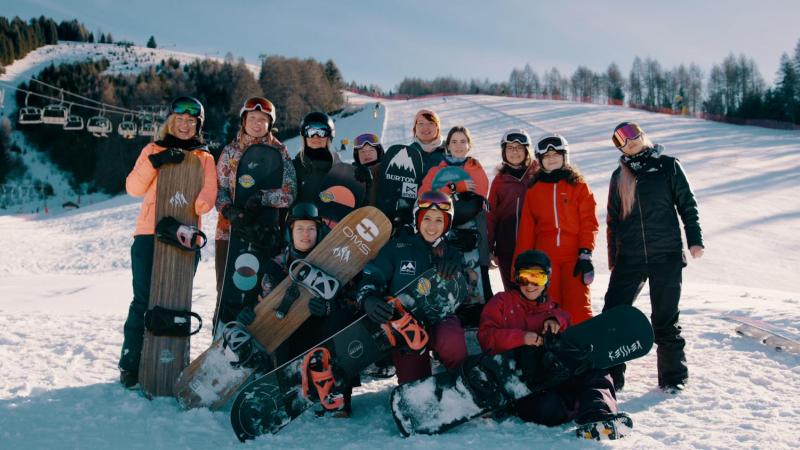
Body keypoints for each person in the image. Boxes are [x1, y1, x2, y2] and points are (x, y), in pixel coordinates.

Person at [118, 96, 218, 388]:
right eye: (181, 119)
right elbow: (133, 187)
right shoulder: (152, 149)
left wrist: (194, 198)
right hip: (149, 235)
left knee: (176, 299)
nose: (186, 125)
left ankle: (169, 359)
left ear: (198, 125)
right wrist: (156, 162)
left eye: (192, 121)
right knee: (143, 300)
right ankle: (131, 363)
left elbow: (206, 200)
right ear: (171, 120)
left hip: (183, 238)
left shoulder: (204, 158)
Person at [478, 250, 631, 437]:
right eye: (525, 277)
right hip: (522, 384)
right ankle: (581, 407)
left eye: (538, 278)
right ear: (516, 278)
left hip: (551, 374)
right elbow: (486, 336)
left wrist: (557, 320)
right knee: (549, 408)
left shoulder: (550, 306)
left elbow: (566, 319)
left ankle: (598, 417)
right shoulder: (502, 302)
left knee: (596, 373)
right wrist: (521, 338)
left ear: (547, 280)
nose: (531, 285)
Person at [604, 122, 703, 394]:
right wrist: (614, 258)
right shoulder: (619, 176)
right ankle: (612, 376)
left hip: (666, 255)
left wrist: (694, 239)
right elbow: (614, 220)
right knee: (614, 314)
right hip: (630, 258)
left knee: (665, 318)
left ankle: (673, 378)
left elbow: (687, 204)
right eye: (622, 140)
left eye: (633, 135)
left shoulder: (668, 166)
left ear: (643, 136)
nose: (630, 141)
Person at [239, 202, 360, 416]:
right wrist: (251, 315)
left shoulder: (333, 262)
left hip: (324, 336)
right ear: (291, 232)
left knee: (340, 321)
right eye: (300, 229)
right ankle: (283, 387)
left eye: (311, 229)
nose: (306, 235)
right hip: (292, 338)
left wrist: (329, 308)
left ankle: (338, 392)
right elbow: (266, 305)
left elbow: (352, 303)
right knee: (279, 331)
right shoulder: (277, 265)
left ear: (318, 231)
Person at [356, 191, 467, 384]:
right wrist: (368, 298)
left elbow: (463, 293)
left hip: (441, 319)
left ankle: (461, 383)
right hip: (405, 326)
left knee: (452, 341)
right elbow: (373, 275)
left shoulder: (452, 253)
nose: (432, 226)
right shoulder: (397, 247)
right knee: (413, 381)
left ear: (447, 223)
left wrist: (457, 276)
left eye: (439, 220)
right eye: (427, 219)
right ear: (417, 219)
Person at [213, 97, 296, 323]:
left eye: (263, 119)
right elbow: (218, 188)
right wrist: (228, 209)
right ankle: (221, 336)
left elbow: (289, 193)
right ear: (244, 120)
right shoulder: (231, 151)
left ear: (270, 123)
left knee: (260, 288)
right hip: (230, 231)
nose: (257, 123)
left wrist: (262, 198)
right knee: (227, 287)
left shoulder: (280, 152)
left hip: (265, 232)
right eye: (252, 118)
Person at [513, 134, 598, 325]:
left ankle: (584, 344)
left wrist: (585, 254)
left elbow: (589, 221)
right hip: (545, 256)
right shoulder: (535, 190)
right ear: (540, 160)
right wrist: (520, 264)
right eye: (547, 155)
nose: (552, 158)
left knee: (578, 303)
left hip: (573, 256)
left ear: (565, 157)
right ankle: (552, 345)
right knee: (550, 303)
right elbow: (527, 228)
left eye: (556, 154)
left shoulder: (578, 186)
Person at [420, 125, 491, 322]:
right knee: (449, 275)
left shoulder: (475, 167)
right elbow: (425, 195)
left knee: (476, 282)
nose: (458, 146)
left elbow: (478, 194)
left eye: (463, 141)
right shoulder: (437, 170)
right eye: (454, 142)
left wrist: (450, 193)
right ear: (447, 145)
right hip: (444, 233)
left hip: (472, 235)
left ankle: (478, 320)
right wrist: (454, 187)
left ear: (469, 145)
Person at [487, 129, 537, 291]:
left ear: (527, 151)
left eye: (519, 147)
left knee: (533, 289)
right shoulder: (500, 181)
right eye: (510, 148)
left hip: (534, 245)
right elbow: (491, 216)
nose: (514, 151)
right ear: (504, 152)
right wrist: (488, 249)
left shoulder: (537, 176)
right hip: (506, 246)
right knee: (513, 291)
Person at [293, 112, 340, 204]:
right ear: (304, 136)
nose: (316, 136)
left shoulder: (339, 171)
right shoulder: (292, 167)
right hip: (298, 217)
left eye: (321, 132)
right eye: (311, 132)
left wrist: (362, 181)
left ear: (329, 136)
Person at [409, 109, 445, 176]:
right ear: (415, 128)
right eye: (421, 123)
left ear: (437, 127)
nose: (425, 127)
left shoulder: (449, 150)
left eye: (431, 123)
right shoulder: (407, 152)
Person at [351, 132, 384, 206]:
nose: (367, 154)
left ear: (378, 152)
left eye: (371, 150)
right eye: (362, 151)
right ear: (357, 156)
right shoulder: (351, 176)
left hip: (384, 216)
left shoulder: (387, 171)